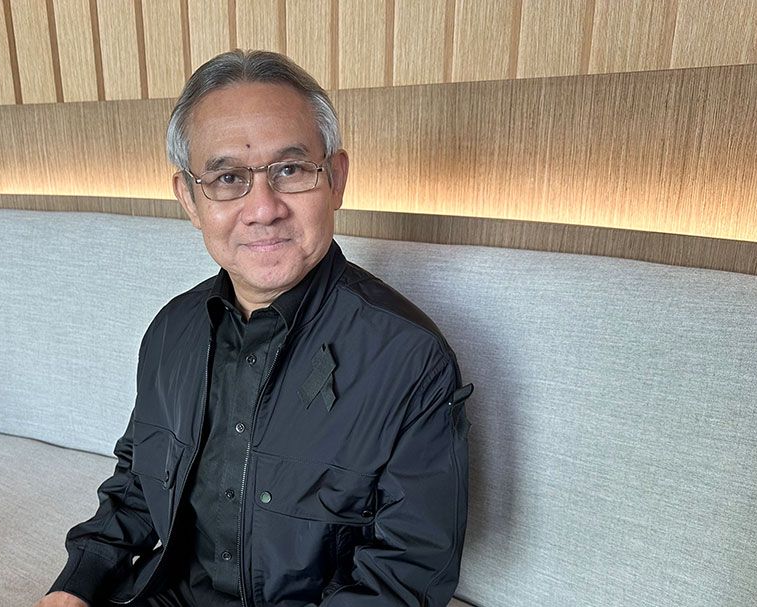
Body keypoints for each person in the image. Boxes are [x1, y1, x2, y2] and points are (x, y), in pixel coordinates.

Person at [35, 49, 472, 607]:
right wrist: (73, 587)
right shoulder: (172, 330)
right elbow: (138, 485)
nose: (263, 209)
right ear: (189, 199)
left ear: (336, 179)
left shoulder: (410, 358)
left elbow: (402, 578)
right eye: (227, 178)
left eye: (289, 170)